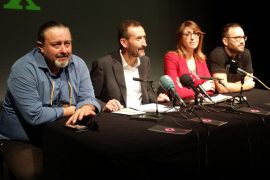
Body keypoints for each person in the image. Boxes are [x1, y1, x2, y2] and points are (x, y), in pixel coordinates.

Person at [0, 21, 100, 179]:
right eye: (56, 44)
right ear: (41, 46)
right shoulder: (23, 69)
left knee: (96, 165)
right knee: (41, 174)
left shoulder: (78, 64)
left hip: (62, 135)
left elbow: (88, 97)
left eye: (67, 43)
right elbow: (35, 116)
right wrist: (71, 109)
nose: (64, 50)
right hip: (23, 140)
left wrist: (87, 106)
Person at [90, 19, 169, 112]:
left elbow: (147, 92)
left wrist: (156, 98)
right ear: (124, 42)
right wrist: (104, 105)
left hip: (143, 116)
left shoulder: (145, 62)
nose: (145, 44)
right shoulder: (103, 65)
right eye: (138, 39)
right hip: (117, 120)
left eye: (144, 38)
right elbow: (90, 98)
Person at [163, 20, 215, 99]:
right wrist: (201, 89)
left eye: (196, 34)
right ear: (181, 38)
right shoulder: (171, 58)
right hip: (181, 107)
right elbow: (175, 92)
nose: (192, 38)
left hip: (199, 104)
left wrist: (185, 90)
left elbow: (211, 88)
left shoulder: (201, 59)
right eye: (187, 34)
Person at [208, 23, 255, 93]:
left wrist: (230, 86)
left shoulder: (245, 53)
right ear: (225, 41)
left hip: (241, 96)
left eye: (243, 37)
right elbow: (222, 88)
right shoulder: (217, 54)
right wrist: (246, 85)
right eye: (237, 38)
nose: (242, 41)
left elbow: (249, 80)